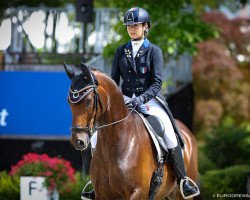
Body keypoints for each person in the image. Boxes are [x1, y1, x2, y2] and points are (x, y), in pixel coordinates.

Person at [81, 7, 199, 200]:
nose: (132, 29)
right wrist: (118, 101)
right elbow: (113, 81)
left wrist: (142, 98)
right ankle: (95, 182)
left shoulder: (154, 51)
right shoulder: (121, 51)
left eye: (136, 25)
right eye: (129, 26)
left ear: (145, 27)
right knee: (94, 138)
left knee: (168, 131)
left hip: (150, 100)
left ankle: (183, 179)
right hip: (125, 101)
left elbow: (157, 82)